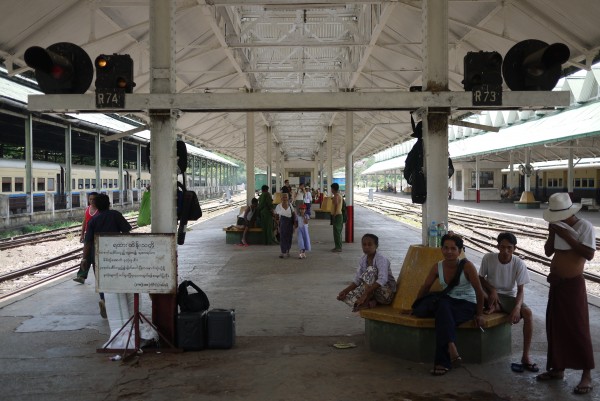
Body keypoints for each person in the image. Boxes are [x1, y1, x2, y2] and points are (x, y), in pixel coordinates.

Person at [536, 193, 595, 395]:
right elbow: (548, 251)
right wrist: (553, 233)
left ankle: (586, 374)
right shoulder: (556, 226)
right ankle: (557, 368)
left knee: (578, 327)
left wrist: (567, 236)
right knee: (555, 325)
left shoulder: (584, 227)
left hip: (573, 284)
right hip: (557, 284)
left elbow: (588, 253)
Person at [416, 233, 485, 376]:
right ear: (441, 249)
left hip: (466, 304)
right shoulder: (437, 267)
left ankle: (443, 360)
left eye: (453, 249)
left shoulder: (467, 266)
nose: (449, 251)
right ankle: (451, 346)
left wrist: (479, 314)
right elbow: (425, 287)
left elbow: (479, 291)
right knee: (443, 308)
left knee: (442, 314)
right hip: (447, 304)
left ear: (460, 251)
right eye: (446, 248)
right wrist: (415, 305)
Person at [479, 232, 537, 373]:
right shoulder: (488, 258)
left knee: (528, 313)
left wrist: (517, 308)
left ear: (514, 249)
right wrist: (492, 289)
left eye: (509, 248)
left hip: (508, 297)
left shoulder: (518, 263)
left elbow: (520, 290)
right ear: (497, 246)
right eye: (502, 247)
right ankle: (494, 305)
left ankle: (525, 356)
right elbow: (480, 278)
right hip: (490, 295)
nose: (505, 251)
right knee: (478, 292)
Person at [78, 193, 132, 318]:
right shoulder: (116, 215)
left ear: (96, 206)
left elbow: (88, 242)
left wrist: (84, 258)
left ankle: (104, 300)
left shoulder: (93, 221)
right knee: (117, 276)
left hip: (97, 254)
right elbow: (127, 233)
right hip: (116, 253)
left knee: (101, 279)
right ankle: (117, 301)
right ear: (109, 204)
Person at [337, 233, 396, 311]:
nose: (366, 247)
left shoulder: (381, 259)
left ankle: (366, 302)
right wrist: (345, 291)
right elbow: (358, 280)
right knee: (348, 296)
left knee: (371, 270)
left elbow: (383, 279)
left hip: (387, 294)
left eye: (370, 244)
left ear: (376, 246)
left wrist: (365, 294)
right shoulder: (363, 259)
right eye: (364, 245)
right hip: (375, 294)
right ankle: (372, 302)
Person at [74, 192, 98, 283]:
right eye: (90, 199)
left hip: (97, 236)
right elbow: (84, 222)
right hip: (88, 236)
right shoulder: (87, 209)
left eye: (94, 199)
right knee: (86, 255)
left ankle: (98, 278)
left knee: (95, 257)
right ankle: (81, 276)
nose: (92, 201)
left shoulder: (100, 210)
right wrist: (82, 234)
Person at [274, 192, 295, 258]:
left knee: (289, 237)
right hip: (282, 222)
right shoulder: (278, 206)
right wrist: (278, 226)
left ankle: (288, 251)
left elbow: (294, 215)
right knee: (282, 237)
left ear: (288, 198)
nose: (284, 198)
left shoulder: (290, 205)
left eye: (286, 197)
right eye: (283, 197)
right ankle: (283, 252)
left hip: (290, 223)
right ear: (281, 198)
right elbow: (277, 217)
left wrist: (294, 225)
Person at [330, 183, 343, 252]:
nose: (331, 190)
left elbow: (336, 205)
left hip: (337, 215)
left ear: (333, 189)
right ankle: (338, 246)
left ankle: (338, 247)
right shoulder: (338, 195)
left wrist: (334, 215)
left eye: (331, 188)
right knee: (337, 232)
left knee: (337, 232)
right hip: (339, 215)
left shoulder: (336, 196)